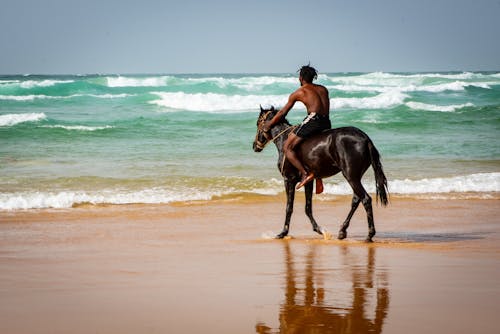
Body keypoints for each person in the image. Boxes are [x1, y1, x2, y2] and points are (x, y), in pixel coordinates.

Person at [262, 65, 331, 190]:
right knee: (313, 149)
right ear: (312, 77)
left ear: (301, 78)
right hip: (326, 122)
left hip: (313, 121)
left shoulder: (300, 92)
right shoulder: (323, 89)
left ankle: (305, 174)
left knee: (287, 147)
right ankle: (318, 176)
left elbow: (283, 113)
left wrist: (270, 124)